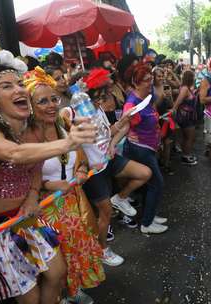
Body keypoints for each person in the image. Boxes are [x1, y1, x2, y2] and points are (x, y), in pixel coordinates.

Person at [0, 48, 96, 303]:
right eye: (7, 87)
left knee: (57, 273)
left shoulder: (30, 131)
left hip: (23, 218)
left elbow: (35, 165)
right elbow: (16, 154)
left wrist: (32, 196)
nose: (19, 90)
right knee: (28, 297)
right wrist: (68, 143)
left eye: (20, 84)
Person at [24, 67, 105, 303]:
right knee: (54, 262)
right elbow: (22, 179)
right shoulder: (26, 137)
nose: (51, 105)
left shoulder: (63, 123)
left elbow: (80, 152)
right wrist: (49, 185)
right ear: (29, 106)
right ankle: (58, 295)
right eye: (42, 101)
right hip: (44, 209)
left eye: (53, 99)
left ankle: (73, 290)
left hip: (73, 203)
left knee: (75, 250)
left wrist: (80, 170)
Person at [62, 68, 151, 266]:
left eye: (104, 96)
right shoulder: (73, 110)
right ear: (87, 94)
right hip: (94, 171)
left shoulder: (99, 108)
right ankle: (103, 249)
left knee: (144, 173)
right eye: (99, 96)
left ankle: (120, 198)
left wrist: (117, 130)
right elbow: (63, 122)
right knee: (105, 213)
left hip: (109, 159)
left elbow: (106, 133)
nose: (102, 100)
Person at [123, 63, 168, 234]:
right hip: (140, 149)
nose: (150, 82)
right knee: (157, 184)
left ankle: (150, 215)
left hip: (149, 146)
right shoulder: (131, 103)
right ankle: (147, 224)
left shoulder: (146, 97)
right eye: (146, 80)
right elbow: (125, 125)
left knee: (152, 185)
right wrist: (130, 131)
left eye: (150, 78)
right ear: (135, 83)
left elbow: (159, 98)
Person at [172, 70, 198, 165]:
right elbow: (178, 101)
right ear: (190, 78)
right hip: (186, 117)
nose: (195, 78)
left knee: (186, 137)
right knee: (189, 137)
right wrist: (173, 110)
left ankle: (186, 154)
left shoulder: (186, 87)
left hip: (187, 116)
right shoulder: (185, 89)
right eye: (193, 76)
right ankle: (186, 157)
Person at [153, 66, 175, 175]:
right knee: (157, 144)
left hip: (166, 118)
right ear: (153, 77)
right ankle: (157, 164)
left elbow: (171, 105)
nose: (161, 78)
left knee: (167, 142)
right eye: (158, 76)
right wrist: (161, 97)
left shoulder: (166, 86)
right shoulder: (150, 89)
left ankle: (166, 164)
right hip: (156, 119)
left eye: (162, 76)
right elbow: (153, 107)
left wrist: (170, 97)